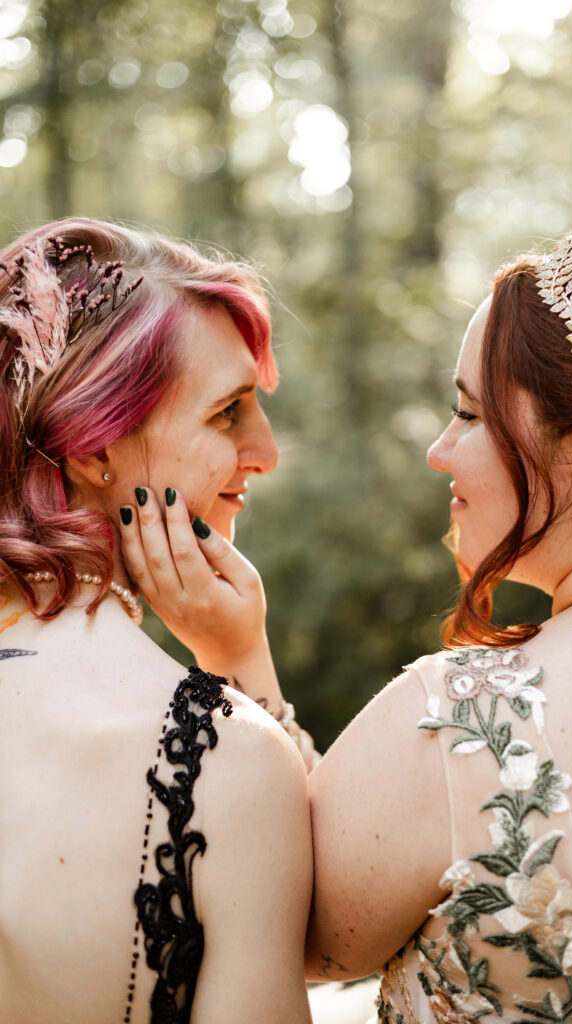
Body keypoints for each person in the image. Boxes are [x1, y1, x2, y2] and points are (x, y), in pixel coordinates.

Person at [126, 218, 572, 1023]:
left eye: (468, 414)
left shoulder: (472, 726)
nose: (439, 450)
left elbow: (270, 930)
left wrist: (232, 652)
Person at [0, 218, 313, 1024]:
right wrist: (243, 669)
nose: (266, 451)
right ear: (94, 450)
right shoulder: (226, 764)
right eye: (227, 414)